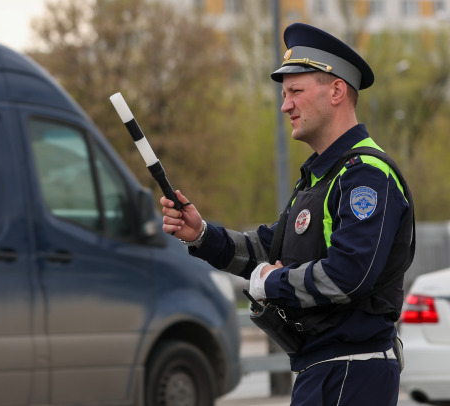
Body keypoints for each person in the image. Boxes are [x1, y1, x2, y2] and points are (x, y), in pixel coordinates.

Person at [160, 23, 414, 406]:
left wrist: (272, 282)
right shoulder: (320, 178)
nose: (285, 105)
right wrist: (200, 234)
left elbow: (349, 276)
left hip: (351, 372)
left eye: (295, 91)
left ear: (336, 90)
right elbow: (265, 249)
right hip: (323, 370)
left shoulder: (365, 175)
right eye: (284, 94)